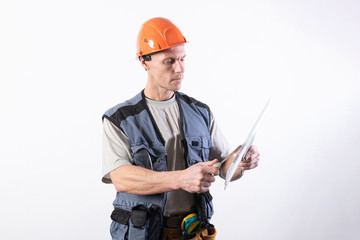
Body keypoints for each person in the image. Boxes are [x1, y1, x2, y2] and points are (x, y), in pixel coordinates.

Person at [102, 17, 260, 240]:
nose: (179, 68)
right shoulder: (120, 118)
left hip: (191, 231)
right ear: (144, 62)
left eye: (182, 59)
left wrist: (240, 160)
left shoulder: (200, 112)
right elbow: (121, 177)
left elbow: (225, 168)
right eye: (169, 61)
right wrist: (181, 179)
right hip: (145, 233)